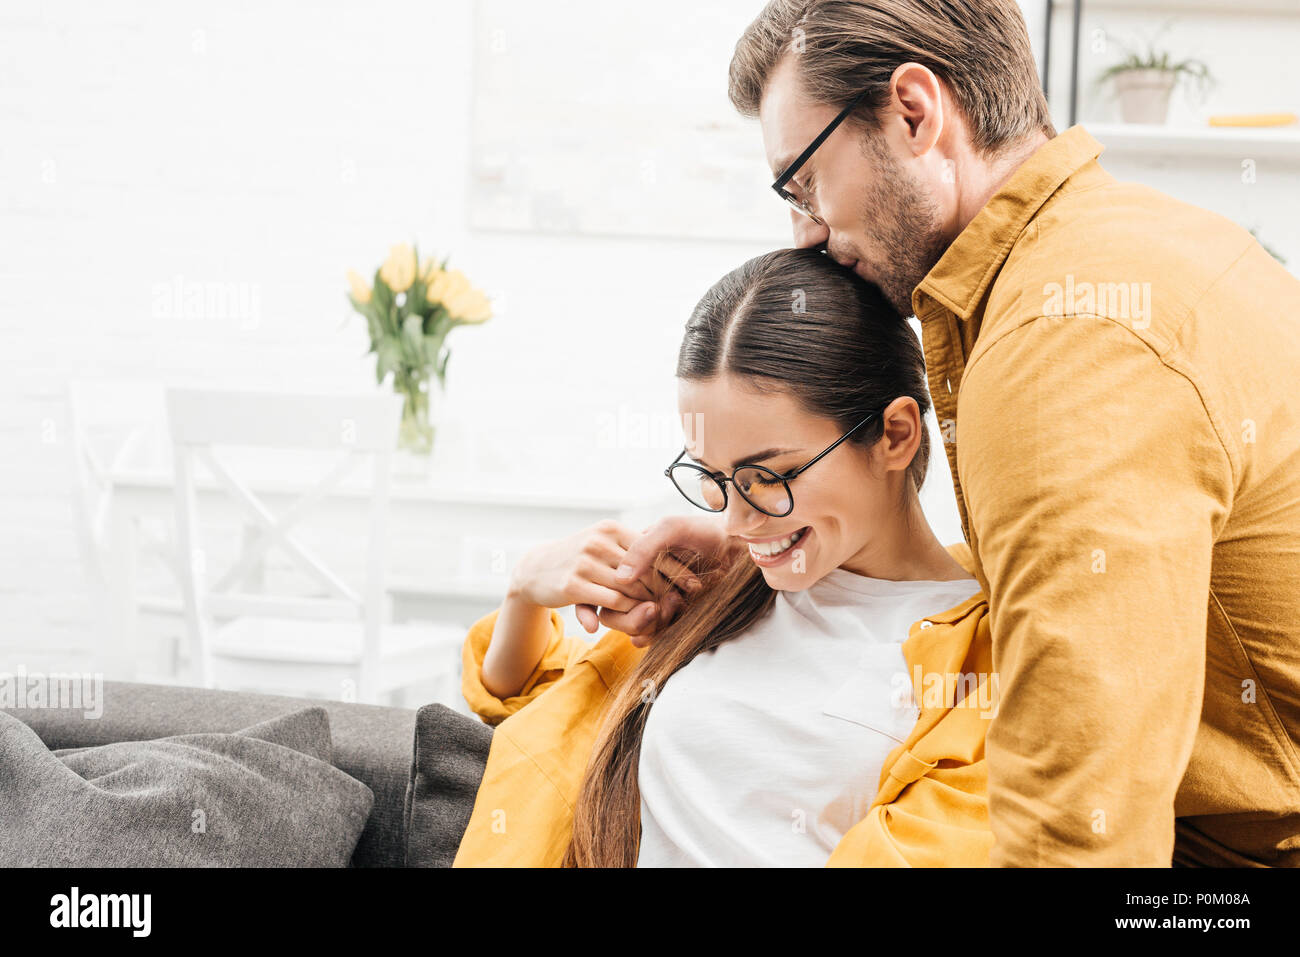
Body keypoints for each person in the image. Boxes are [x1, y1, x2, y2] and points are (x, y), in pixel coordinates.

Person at [598, 0, 1300, 866]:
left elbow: (1078, 831)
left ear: (915, 112)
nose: (805, 233)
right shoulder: (1123, 250)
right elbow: (1094, 582)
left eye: (803, 183)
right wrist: (760, 540)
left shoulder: (1065, 344)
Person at [454, 247, 995, 867]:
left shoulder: (981, 656)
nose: (737, 520)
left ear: (894, 435)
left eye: (769, 475)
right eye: (715, 477)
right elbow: (534, 699)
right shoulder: (719, 595)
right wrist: (524, 589)